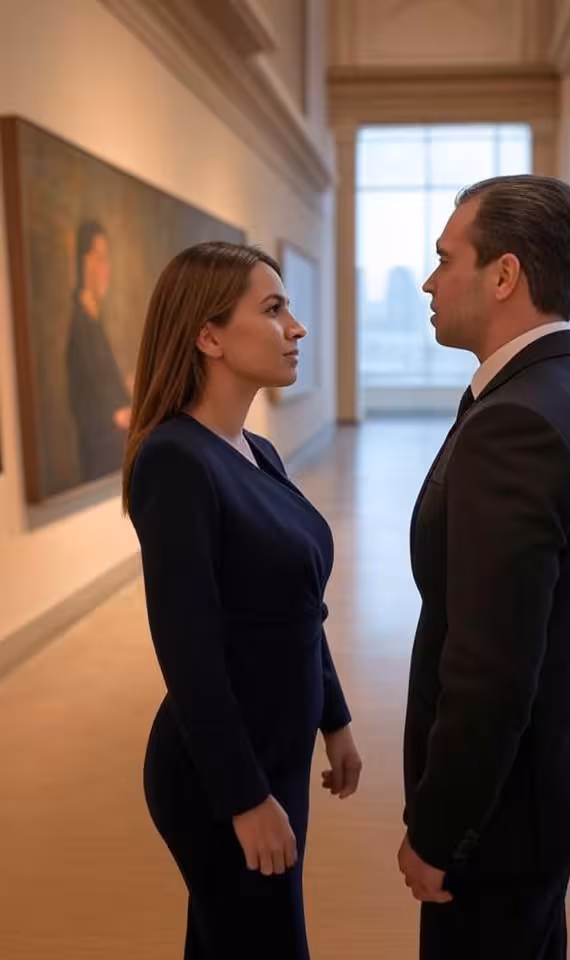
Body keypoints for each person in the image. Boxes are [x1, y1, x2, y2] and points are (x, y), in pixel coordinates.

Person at [398, 175, 570, 959]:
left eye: (445, 258)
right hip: (546, 788)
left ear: (504, 275)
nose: (430, 282)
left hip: (498, 821)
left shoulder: (517, 422)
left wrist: (438, 830)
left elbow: (491, 670)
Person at [122, 241, 362, 959]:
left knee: (231, 941)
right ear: (209, 335)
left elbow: (297, 607)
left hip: (278, 754)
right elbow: (186, 648)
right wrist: (242, 798)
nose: (297, 327)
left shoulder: (257, 451)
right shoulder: (176, 461)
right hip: (220, 772)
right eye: (274, 308)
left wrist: (335, 717)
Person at [66, 220, 133, 482]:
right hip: (101, 464)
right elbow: (90, 409)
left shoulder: (94, 326)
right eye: (100, 258)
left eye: (107, 260)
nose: (107, 270)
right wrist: (121, 416)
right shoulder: (81, 331)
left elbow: (105, 388)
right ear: (84, 264)